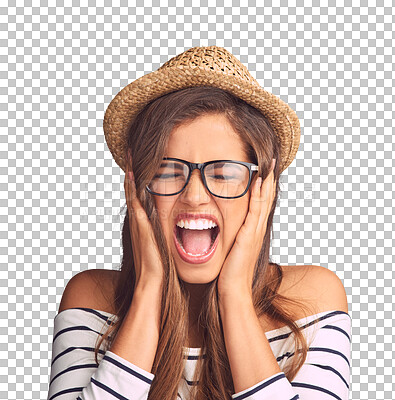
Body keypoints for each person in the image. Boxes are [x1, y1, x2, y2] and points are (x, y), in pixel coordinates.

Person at [47, 46, 351, 400]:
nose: (194, 196)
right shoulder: (91, 299)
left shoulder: (312, 300)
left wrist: (234, 295)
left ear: (261, 190)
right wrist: (148, 292)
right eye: (167, 170)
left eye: (222, 173)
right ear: (138, 188)